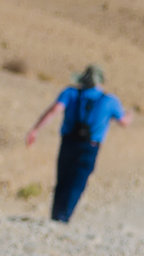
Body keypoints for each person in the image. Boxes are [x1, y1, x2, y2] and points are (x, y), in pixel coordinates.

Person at [25, 64, 130, 224]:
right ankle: (63, 217)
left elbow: (55, 110)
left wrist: (35, 129)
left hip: (68, 142)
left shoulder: (70, 93)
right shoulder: (110, 100)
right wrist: (130, 115)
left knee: (63, 179)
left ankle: (55, 216)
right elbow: (123, 122)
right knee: (78, 182)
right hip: (90, 147)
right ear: (100, 81)